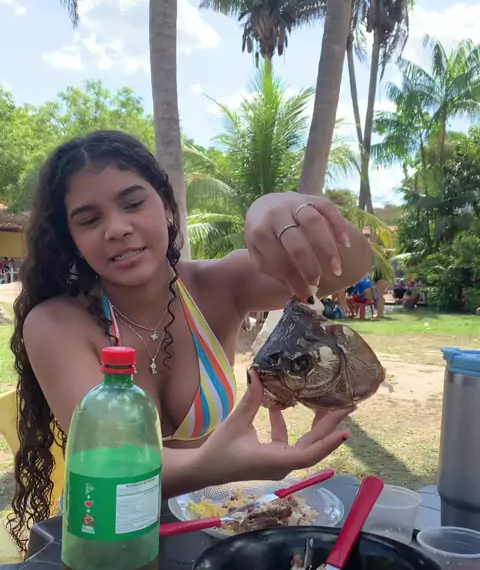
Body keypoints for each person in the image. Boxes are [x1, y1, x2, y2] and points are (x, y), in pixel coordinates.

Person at [9, 130, 371, 547]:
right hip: (102, 539)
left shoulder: (218, 287)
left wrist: (275, 206)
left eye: (133, 203)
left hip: (209, 527)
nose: (117, 228)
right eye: (90, 220)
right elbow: (112, 467)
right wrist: (220, 465)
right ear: (71, 239)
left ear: (166, 206)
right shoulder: (55, 323)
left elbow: (346, 268)